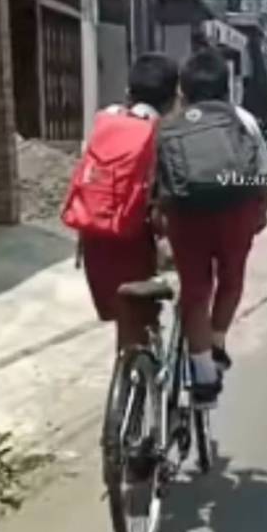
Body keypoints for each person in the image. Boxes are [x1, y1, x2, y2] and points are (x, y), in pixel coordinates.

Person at [157, 49, 267, 408]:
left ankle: (203, 378)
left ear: (184, 90)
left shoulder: (172, 124)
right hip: (236, 213)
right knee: (231, 278)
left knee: (195, 292)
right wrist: (260, 214)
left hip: (185, 213)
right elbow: (265, 177)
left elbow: (158, 182)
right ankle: (218, 340)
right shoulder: (243, 120)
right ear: (227, 89)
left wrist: (161, 222)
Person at [63, 54, 180, 352]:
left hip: (94, 241)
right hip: (133, 244)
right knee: (141, 318)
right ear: (171, 100)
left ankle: (127, 382)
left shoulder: (104, 122)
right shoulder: (161, 134)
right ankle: (143, 386)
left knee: (123, 321)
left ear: (129, 91)